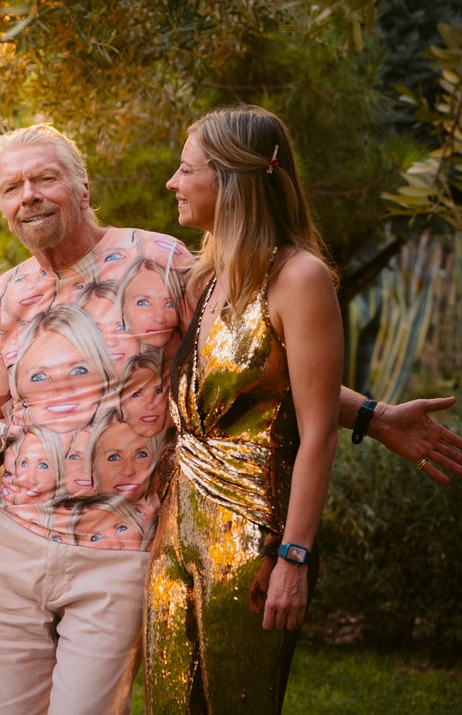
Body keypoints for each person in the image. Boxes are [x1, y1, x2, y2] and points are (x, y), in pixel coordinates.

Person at [0, 123, 462, 715]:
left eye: (44, 178)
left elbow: (249, 367)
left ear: (81, 186)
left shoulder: (164, 264)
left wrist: (372, 417)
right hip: (16, 542)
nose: (28, 195)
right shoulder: (2, 298)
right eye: (11, 186)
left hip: (123, 545)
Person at [143, 104, 339, 713]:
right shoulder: (204, 279)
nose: (172, 183)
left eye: (185, 169)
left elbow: (318, 430)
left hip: (251, 542)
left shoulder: (301, 278)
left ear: (229, 180)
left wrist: (293, 557)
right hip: (174, 537)